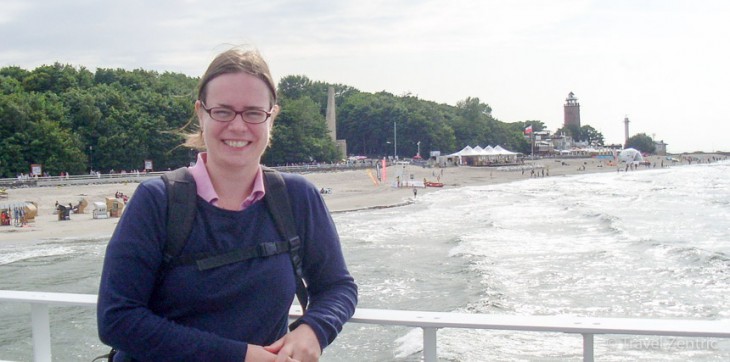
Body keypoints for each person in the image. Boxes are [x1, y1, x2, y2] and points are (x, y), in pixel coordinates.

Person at [97, 47, 358, 362]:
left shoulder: (297, 198)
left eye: (253, 112)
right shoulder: (157, 201)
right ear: (201, 113)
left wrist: (313, 328)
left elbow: (337, 287)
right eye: (222, 111)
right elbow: (117, 319)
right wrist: (240, 356)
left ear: (271, 116)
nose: (238, 126)